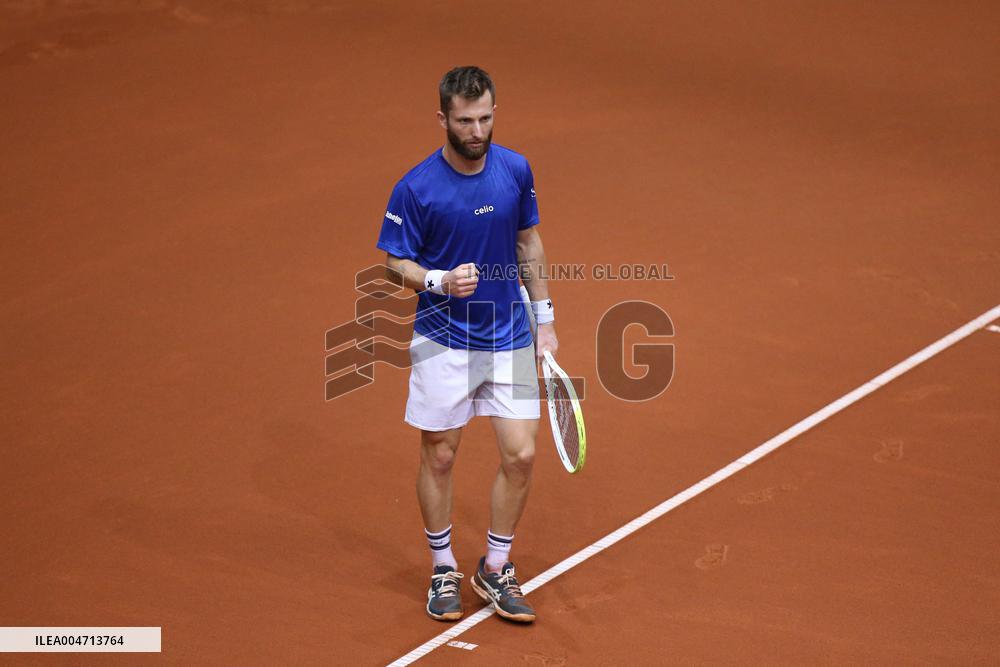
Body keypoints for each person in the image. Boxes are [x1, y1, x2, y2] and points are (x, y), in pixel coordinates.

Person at [375, 66, 558, 623]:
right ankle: (442, 567)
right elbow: (393, 263)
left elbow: (528, 242)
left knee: (522, 454)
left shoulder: (515, 169)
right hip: (443, 339)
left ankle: (495, 566)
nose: (477, 130)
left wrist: (545, 318)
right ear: (443, 120)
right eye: (465, 121)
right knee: (441, 453)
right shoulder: (416, 188)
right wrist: (437, 280)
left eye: (485, 118)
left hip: (508, 332)